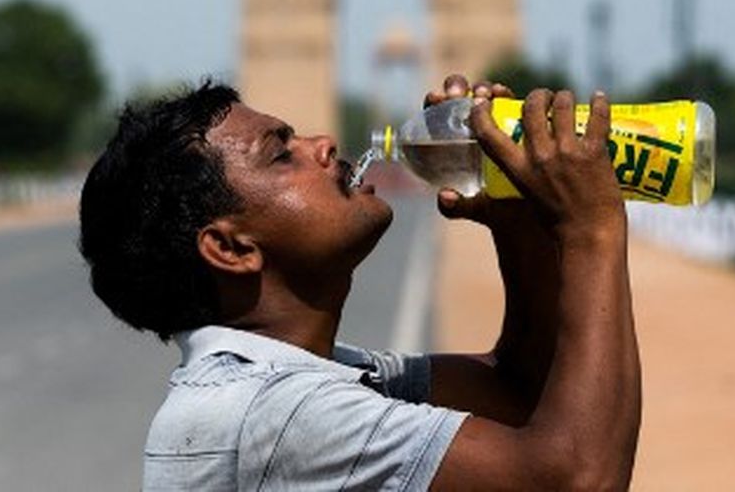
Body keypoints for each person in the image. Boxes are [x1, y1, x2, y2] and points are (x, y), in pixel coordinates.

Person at [79, 74, 641, 490]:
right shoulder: (272, 415)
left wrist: (517, 224)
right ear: (231, 248)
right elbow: (578, 479)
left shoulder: (293, 379)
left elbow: (518, 393)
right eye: (281, 155)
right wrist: (591, 230)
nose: (323, 143)